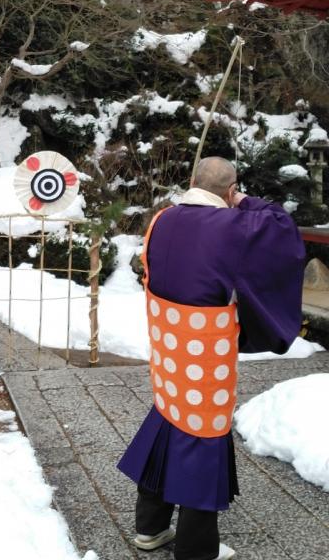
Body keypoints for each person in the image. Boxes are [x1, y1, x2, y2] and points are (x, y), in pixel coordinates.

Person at [118, 156, 305, 560]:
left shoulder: (162, 219)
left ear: (191, 180)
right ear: (230, 190)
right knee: (203, 440)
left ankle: (149, 528)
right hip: (206, 356)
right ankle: (194, 550)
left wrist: (228, 196)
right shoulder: (232, 226)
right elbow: (280, 227)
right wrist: (243, 201)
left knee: (168, 419)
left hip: (168, 348)